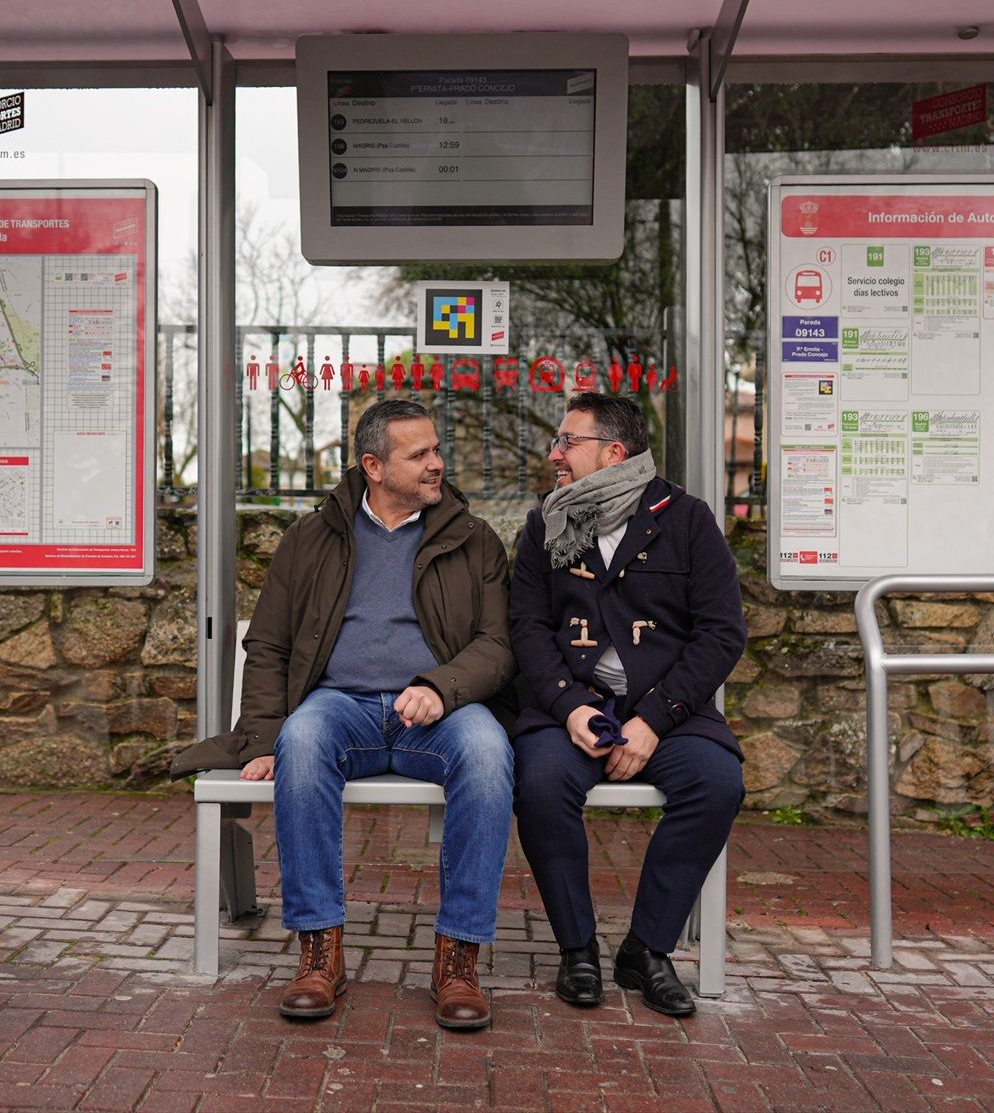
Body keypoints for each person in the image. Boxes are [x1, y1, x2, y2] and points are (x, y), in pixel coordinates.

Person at [172, 399, 515, 1030]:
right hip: (341, 706)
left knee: (491, 754)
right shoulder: (312, 539)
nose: (438, 464)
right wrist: (266, 739)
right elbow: (270, 645)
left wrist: (441, 687)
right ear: (374, 467)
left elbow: (498, 645)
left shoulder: (474, 538)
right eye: (421, 455)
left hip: (438, 713)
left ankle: (459, 959)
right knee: (303, 742)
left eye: (437, 450)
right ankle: (319, 954)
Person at [508, 393, 746, 1017]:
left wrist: (653, 721)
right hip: (572, 706)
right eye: (557, 441)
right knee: (539, 783)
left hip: (667, 708)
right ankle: (577, 948)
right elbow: (527, 628)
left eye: (568, 442)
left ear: (614, 453)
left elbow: (723, 632)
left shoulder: (686, 519)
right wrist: (567, 708)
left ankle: (647, 949)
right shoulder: (545, 525)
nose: (554, 454)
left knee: (716, 783)